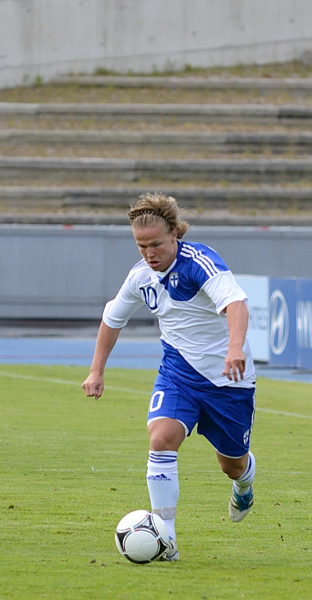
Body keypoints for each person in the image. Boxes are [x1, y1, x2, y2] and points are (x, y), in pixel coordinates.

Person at [82, 193, 256, 561]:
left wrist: (235, 348)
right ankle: (167, 539)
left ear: (175, 233)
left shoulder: (200, 263)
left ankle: (245, 482)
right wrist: (97, 370)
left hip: (229, 380)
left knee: (232, 464)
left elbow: (236, 304)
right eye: (141, 245)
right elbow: (113, 319)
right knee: (161, 438)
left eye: (156, 243)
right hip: (178, 374)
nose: (149, 252)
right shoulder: (140, 276)